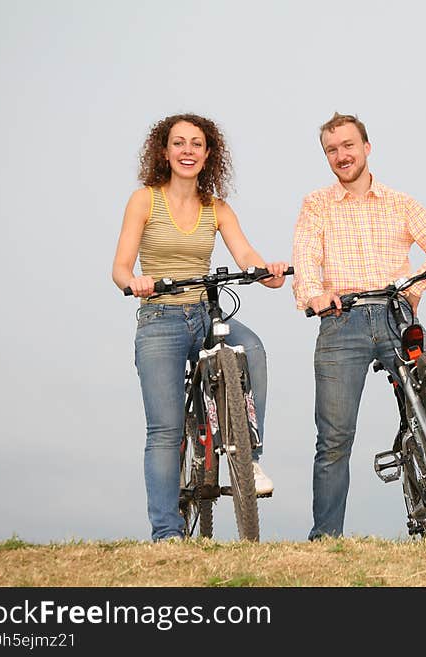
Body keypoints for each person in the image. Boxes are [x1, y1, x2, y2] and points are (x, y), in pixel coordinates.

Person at [112, 113, 289, 542]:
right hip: (161, 319)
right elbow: (119, 267)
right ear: (165, 151)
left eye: (196, 143)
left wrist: (269, 272)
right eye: (179, 143)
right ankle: (167, 533)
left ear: (209, 154)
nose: (187, 150)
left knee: (253, 349)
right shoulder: (144, 200)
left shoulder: (217, 207)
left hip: (205, 314)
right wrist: (134, 282)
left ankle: (249, 456)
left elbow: (247, 256)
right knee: (165, 431)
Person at [292, 112, 426, 540]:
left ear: (367, 148)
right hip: (341, 320)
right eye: (332, 150)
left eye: (348, 146)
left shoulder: (399, 203)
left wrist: (422, 283)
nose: (341, 155)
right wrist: (314, 295)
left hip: (394, 313)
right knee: (333, 439)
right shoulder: (316, 204)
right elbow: (307, 258)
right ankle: (326, 539)